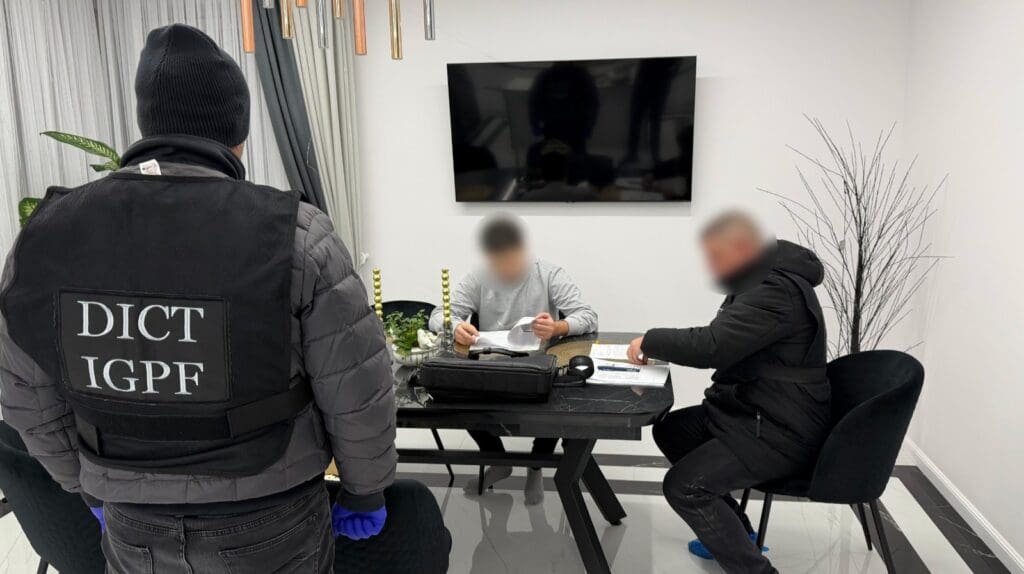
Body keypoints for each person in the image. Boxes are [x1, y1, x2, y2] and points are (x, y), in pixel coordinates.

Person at [0, 24, 448, 573]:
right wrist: (365, 490)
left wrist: (86, 483)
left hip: (132, 524)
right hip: (272, 518)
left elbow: (24, 393)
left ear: (147, 123)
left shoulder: (45, 237)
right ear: (238, 135)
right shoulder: (295, 234)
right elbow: (356, 388)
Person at [626, 211, 832, 574]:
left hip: (780, 428)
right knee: (671, 430)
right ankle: (739, 532)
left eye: (718, 256)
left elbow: (713, 346)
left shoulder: (776, 289)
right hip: (754, 411)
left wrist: (650, 339)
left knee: (684, 487)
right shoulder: (763, 280)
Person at [428, 214, 598, 505]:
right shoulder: (480, 276)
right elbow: (438, 315)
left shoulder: (549, 274)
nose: (504, 268)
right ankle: (498, 460)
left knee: (556, 404)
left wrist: (558, 327)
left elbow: (588, 316)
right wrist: (456, 326)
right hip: (492, 363)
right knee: (458, 397)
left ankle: (536, 465)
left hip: (539, 366)